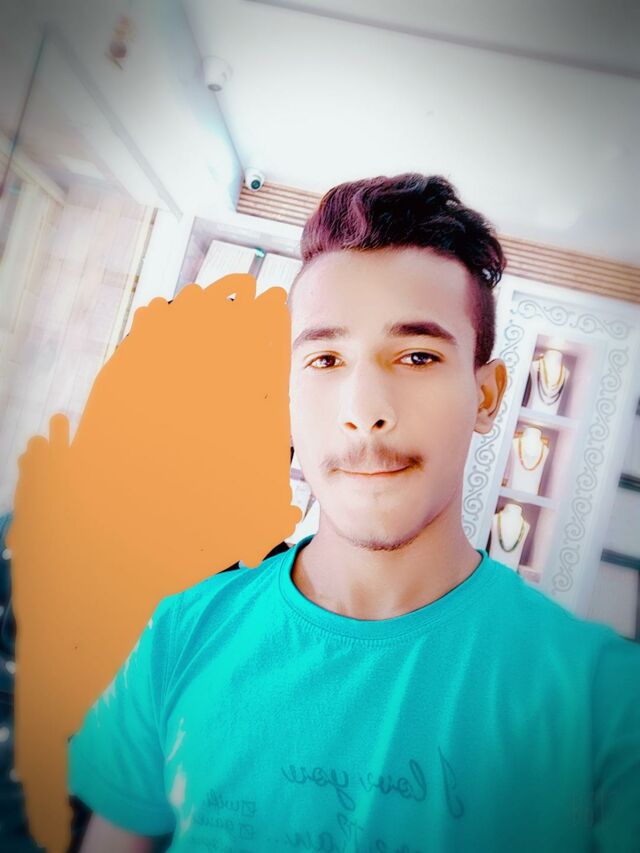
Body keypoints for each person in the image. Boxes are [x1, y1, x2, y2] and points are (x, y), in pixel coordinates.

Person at [68, 173, 640, 852]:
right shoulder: (180, 635)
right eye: (326, 358)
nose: (365, 409)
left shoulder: (605, 703)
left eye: (418, 355)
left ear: (486, 398)